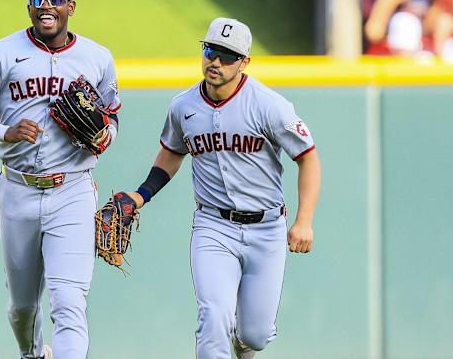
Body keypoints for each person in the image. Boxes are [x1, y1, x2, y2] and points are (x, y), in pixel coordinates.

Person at [120, 18, 321, 359]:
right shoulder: (183, 106)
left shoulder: (269, 105)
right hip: (214, 227)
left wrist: (304, 220)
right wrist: (140, 196)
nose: (215, 62)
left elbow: (308, 158)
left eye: (227, 56)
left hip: (267, 228)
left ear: (244, 63)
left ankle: (241, 348)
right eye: (210, 51)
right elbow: (171, 155)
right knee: (214, 316)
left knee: (255, 336)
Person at [0, 0, 121, 359]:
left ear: (71, 6)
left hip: (73, 189)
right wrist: (4, 131)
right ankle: (32, 355)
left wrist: (106, 135)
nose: (46, 4)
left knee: (69, 302)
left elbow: (112, 114)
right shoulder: (0, 53)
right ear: (28, 6)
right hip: (18, 190)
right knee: (23, 309)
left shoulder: (97, 57)